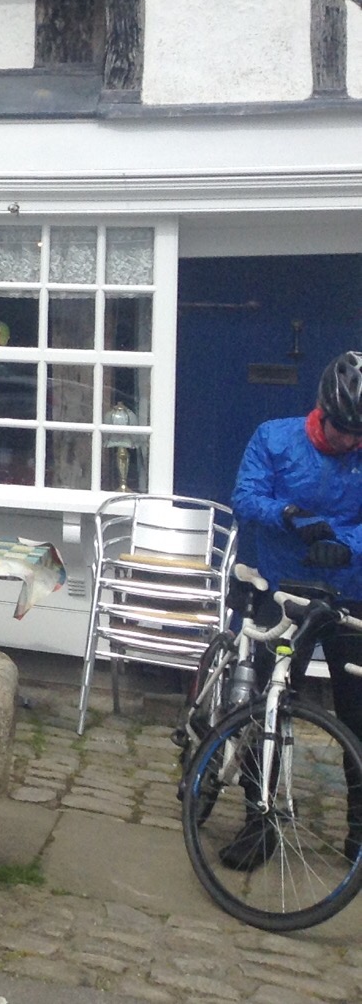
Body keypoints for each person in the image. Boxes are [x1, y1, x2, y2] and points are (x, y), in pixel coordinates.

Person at [224, 350, 362, 868]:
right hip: (284, 590)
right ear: (323, 410)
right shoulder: (274, 437)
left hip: (350, 592)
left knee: (359, 714)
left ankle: (359, 831)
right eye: (344, 429)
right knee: (267, 706)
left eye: (359, 433)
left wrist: (348, 545)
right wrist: (286, 514)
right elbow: (245, 496)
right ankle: (258, 823)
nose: (351, 441)